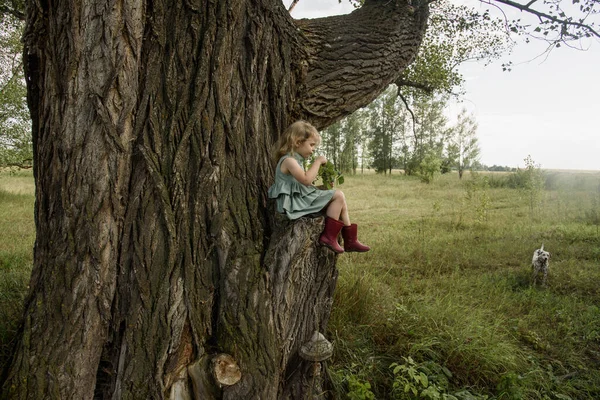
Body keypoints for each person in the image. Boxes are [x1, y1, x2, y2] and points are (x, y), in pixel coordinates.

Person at [268, 120, 370, 253]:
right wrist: (318, 162)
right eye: (311, 145)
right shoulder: (289, 161)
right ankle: (329, 237)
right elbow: (305, 180)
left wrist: (323, 187)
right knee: (338, 195)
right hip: (293, 204)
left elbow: (304, 185)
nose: (313, 149)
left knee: (341, 200)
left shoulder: (296, 160)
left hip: (299, 200)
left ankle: (350, 239)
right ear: (298, 142)